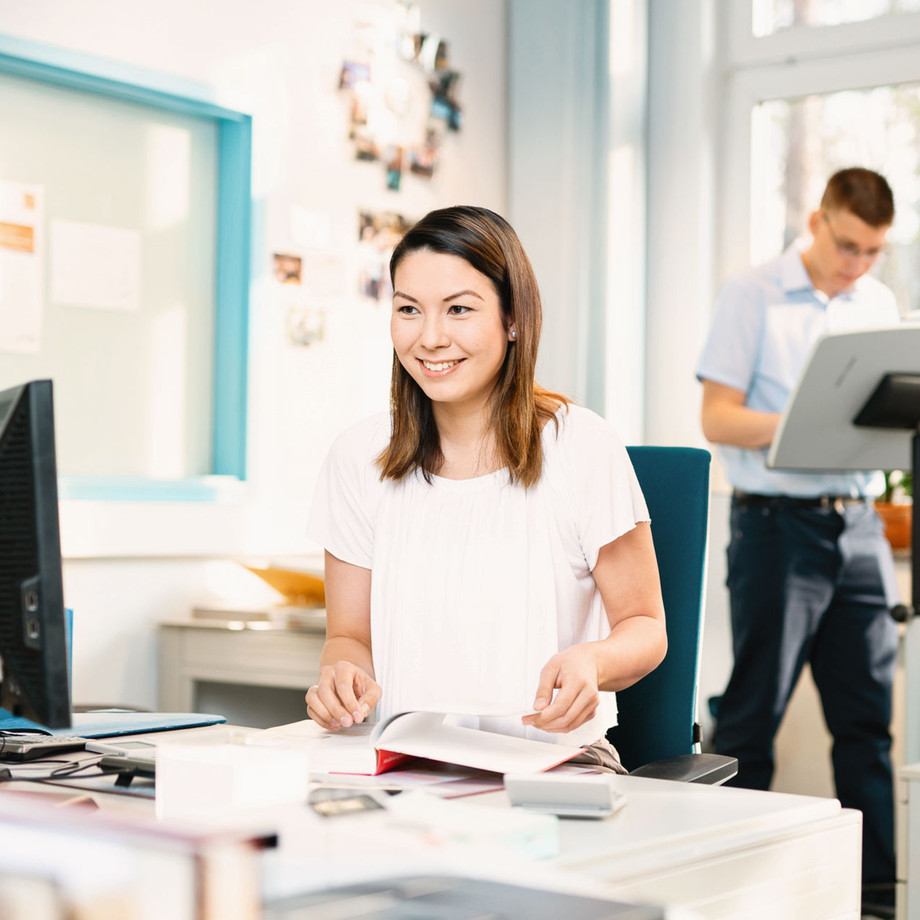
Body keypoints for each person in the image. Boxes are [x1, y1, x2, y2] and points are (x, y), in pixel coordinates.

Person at [306, 205, 667, 771]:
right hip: (407, 764)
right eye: (408, 310)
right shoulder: (358, 457)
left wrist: (592, 663)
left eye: (459, 310)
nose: (430, 337)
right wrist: (342, 676)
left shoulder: (583, 446)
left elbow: (645, 629)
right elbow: (348, 637)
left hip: (553, 763)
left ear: (512, 318)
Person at [696, 167, 901, 916]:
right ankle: (728, 894)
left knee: (866, 725)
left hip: (859, 529)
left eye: (873, 252)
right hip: (777, 529)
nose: (857, 265)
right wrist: (806, 426)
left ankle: (875, 897)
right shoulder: (752, 295)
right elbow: (717, 419)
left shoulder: (878, 304)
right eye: (847, 245)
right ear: (818, 221)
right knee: (752, 718)